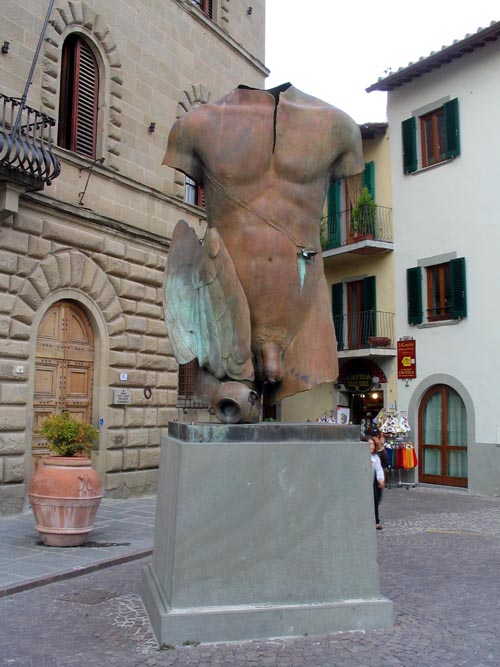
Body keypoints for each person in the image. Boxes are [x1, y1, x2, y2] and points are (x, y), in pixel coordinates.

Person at [163, 83, 364, 408]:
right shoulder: (195, 126)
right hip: (224, 299)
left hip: (304, 305)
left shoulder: (340, 129)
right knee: (230, 398)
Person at [369, 437, 385, 530]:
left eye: (373, 444)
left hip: (372, 483)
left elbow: (379, 469)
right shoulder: (361, 456)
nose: (372, 446)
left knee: (375, 501)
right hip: (363, 484)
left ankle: (376, 521)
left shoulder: (375, 457)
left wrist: (380, 479)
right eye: (369, 444)